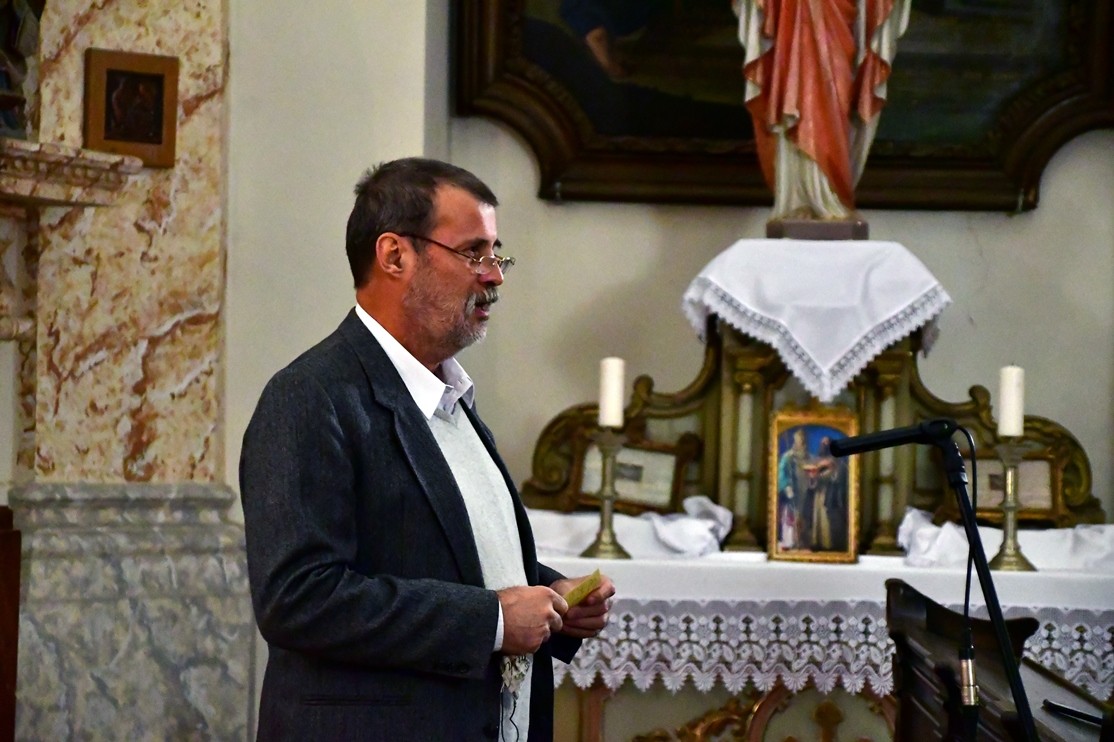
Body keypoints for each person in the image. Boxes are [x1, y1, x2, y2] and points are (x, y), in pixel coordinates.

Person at [240, 157, 615, 741]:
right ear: (395, 256)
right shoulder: (311, 396)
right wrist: (492, 621)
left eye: (496, 255)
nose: (494, 277)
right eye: (474, 253)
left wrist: (550, 593)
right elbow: (299, 598)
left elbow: (445, 553)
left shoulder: (450, 395)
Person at [731, 0, 910, 220]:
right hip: (793, 17)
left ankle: (832, 192)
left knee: (834, 98)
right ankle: (797, 198)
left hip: (838, 20)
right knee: (797, 92)